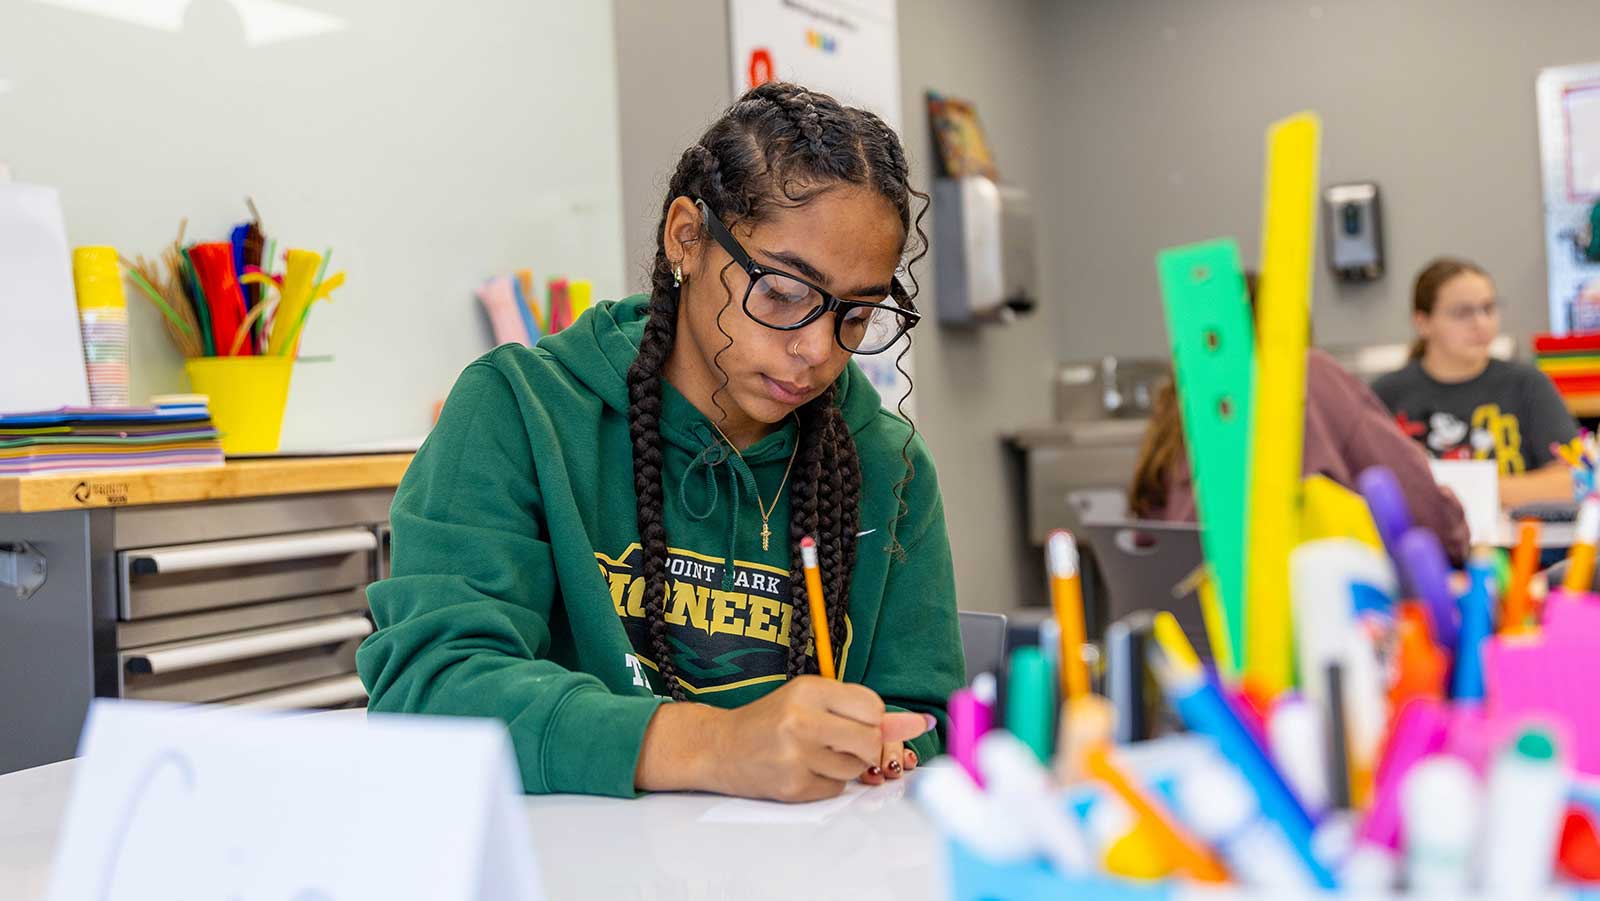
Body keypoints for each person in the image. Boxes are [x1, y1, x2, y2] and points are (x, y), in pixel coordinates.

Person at [357, 83, 964, 802]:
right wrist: (716, 745)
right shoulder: (518, 412)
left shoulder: (888, 466)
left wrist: (891, 745)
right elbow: (432, 688)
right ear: (687, 236)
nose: (815, 349)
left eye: (856, 315)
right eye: (780, 291)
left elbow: (928, 719)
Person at [1130, 274, 1469, 561]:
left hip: (1193, 627)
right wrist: (1460, 540)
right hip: (1308, 615)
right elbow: (1419, 503)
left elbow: (1149, 550)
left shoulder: (1180, 407)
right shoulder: (1306, 373)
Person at [1373, 258, 1579, 509]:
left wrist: (1461, 489)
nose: (1481, 324)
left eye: (1488, 309)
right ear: (1423, 322)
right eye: (1462, 313)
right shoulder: (1385, 394)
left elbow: (1572, 481)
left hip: (1518, 542)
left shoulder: (1527, 384)